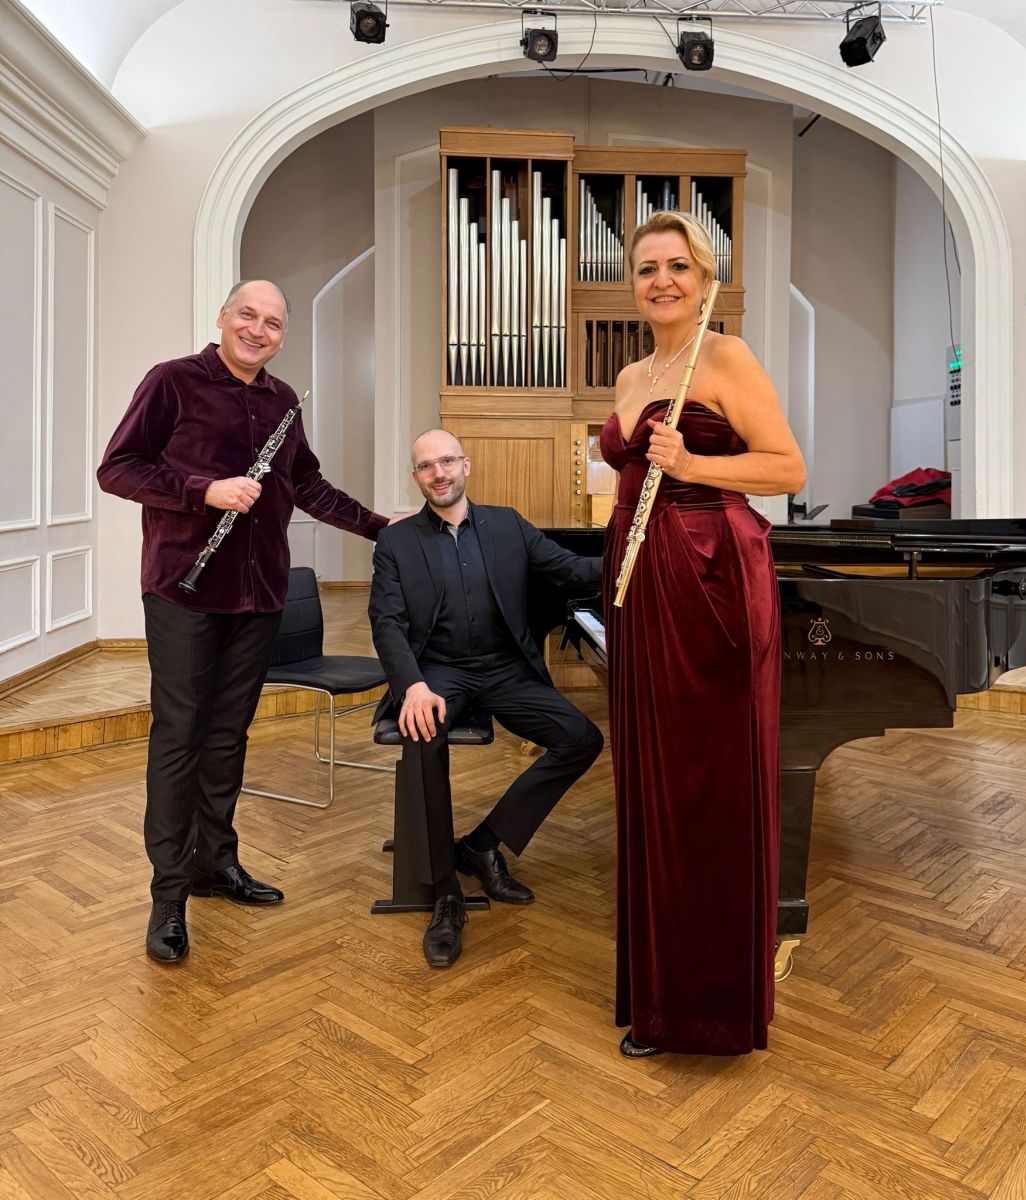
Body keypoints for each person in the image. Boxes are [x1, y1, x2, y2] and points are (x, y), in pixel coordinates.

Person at [98, 280, 392, 964]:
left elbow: (307, 485)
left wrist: (383, 528)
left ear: (282, 335)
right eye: (248, 316)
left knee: (229, 735)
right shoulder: (172, 381)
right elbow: (118, 468)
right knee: (180, 738)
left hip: (257, 595)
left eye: (273, 323)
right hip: (184, 591)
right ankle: (169, 893)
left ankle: (214, 864)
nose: (258, 330)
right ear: (223, 317)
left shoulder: (283, 400)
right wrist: (202, 490)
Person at [602, 212, 806, 1057]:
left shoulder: (726, 358)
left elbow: (786, 467)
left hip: (710, 576)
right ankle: (657, 993)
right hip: (638, 579)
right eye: (647, 267)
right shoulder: (631, 372)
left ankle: (706, 1007)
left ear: (703, 277)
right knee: (650, 780)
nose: (661, 281)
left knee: (704, 784)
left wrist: (691, 465)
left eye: (677, 265)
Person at [368, 429, 604, 968]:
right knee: (422, 731)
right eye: (426, 466)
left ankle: (483, 844)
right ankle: (445, 894)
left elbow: (570, 570)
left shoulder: (507, 524)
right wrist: (413, 686)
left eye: (447, 461)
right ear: (415, 477)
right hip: (438, 672)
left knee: (581, 739)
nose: (439, 473)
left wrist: (643, 556)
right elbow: (386, 622)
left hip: (505, 669)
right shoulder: (396, 542)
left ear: (465, 465)